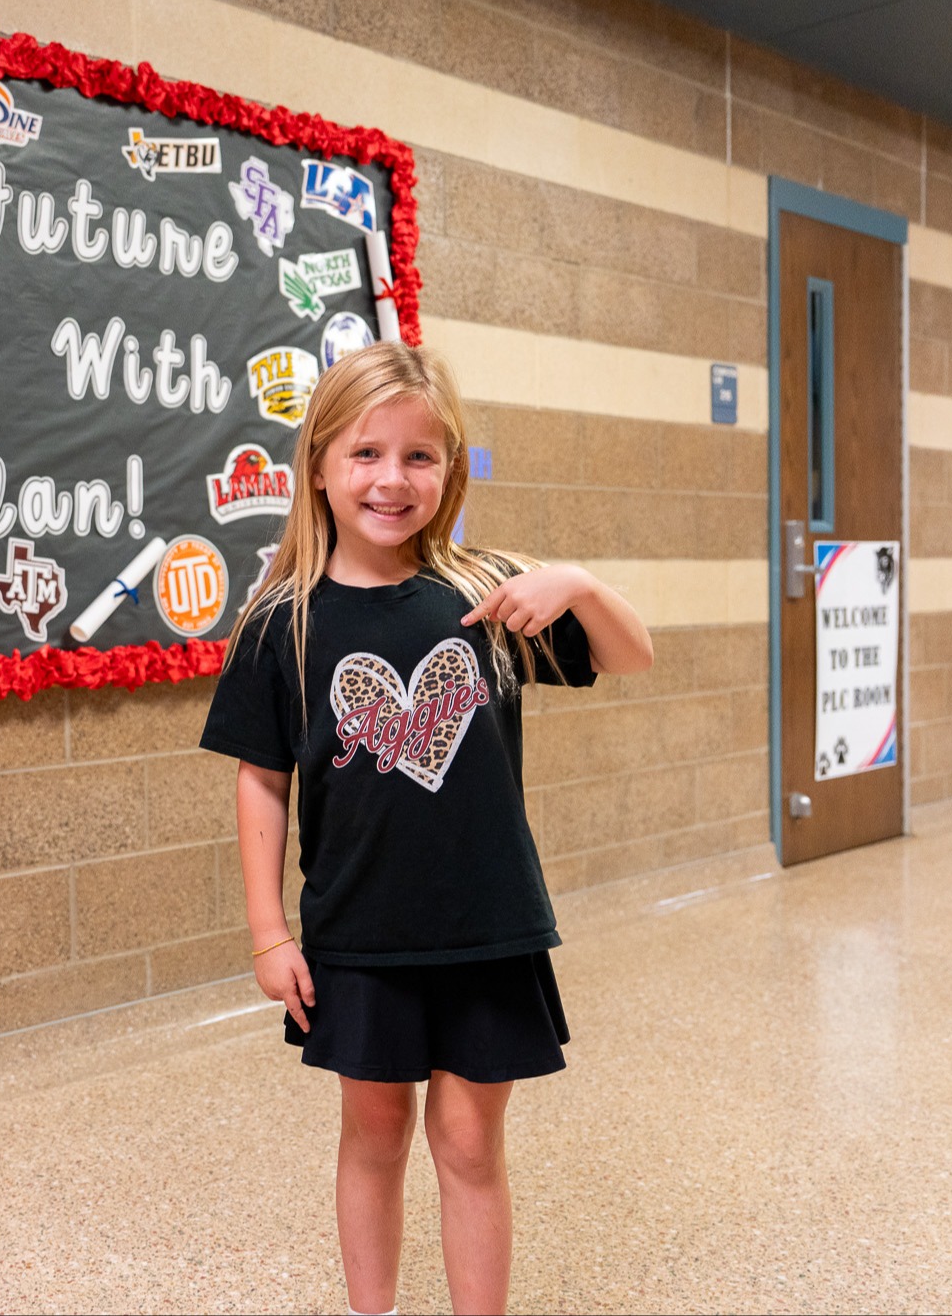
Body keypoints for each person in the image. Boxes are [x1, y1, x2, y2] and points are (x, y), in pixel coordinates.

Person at [200, 341, 654, 1315]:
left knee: (467, 1144)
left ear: (447, 469)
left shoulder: (485, 595)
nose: (390, 479)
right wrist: (266, 932)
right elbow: (259, 782)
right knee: (371, 1137)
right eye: (365, 453)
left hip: (486, 928)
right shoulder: (279, 623)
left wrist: (573, 581)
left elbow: (632, 655)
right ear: (318, 464)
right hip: (356, 935)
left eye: (419, 456)